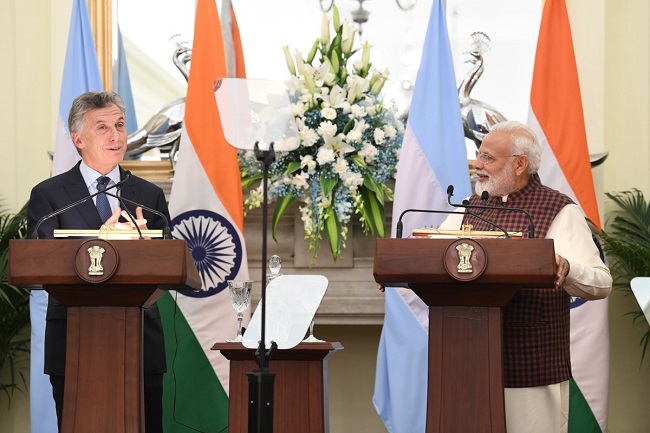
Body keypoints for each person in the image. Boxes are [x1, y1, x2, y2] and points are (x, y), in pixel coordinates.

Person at [437, 120, 612, 432]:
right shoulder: (468, 208)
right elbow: (430, 261)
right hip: (468, 365)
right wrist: (399, 274)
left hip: (531, 367)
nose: (477, 164)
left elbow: (601, 282)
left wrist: (568, 268)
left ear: (520, 164)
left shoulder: (559, 209)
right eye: (479, 155)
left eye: (488, 158)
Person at [27, 91, 169, 433]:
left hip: (140, 343)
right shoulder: (50, 195)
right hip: (74, 345)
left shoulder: (148, 196)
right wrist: (100, 243)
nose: (116, 136)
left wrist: (149, 251)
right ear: (78, 139)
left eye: (119, 125)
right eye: (102, 127)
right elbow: (37, 267)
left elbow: (172, 265)